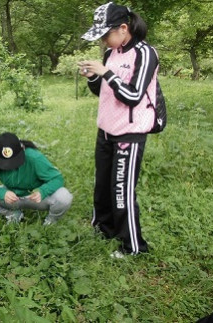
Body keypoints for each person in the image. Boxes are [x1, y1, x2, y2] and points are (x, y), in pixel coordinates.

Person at [78, 2, 160, 257]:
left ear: (123, 28)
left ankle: (134, 246)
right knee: (102, 186)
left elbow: (134, 95)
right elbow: (101, 91)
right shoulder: (110, 54)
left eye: (106, 35)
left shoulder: (145, 53)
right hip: (105, 131)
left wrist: (107, 73)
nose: (103, 41)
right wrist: (93, 76)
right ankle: (103, 227)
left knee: (121, 189)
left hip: (129, 133)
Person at [0, 132, 73, 225]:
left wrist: (42, 191)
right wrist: (2, 193)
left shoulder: (34, 157)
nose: (11, 166)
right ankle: (13, 214)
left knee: (64, 197)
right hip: (12, 198)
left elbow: (57, 178)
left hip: (35, 197)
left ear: (22, 148)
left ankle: (51, 220)